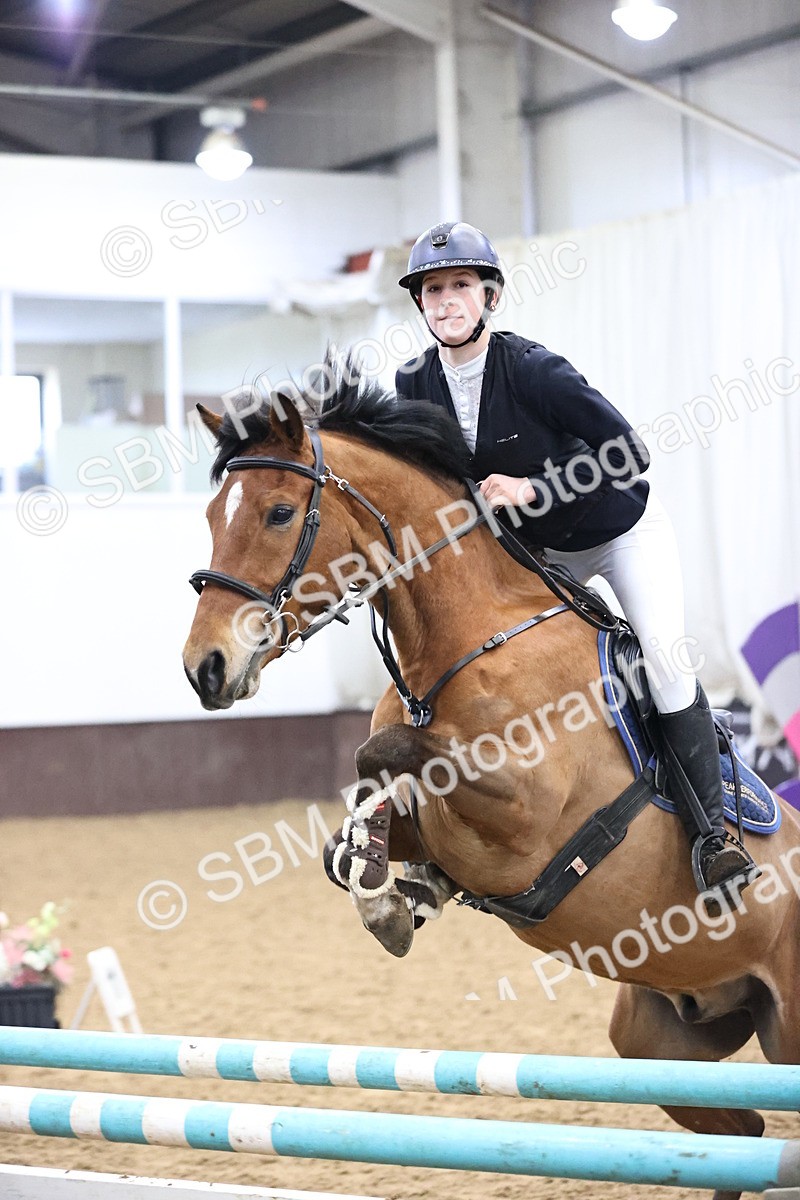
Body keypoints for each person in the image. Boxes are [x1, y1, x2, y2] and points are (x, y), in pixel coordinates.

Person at [395, 219, 758, 905]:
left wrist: (534, 489)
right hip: (541, 553)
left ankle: (714, 839)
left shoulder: (535, 369)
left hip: (619, 531)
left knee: (662, 659)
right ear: (420, 303)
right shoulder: (413, 381)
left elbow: (628, 453)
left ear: (489, 296)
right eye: (433, 290)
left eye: (461, 285)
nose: (446, 301)